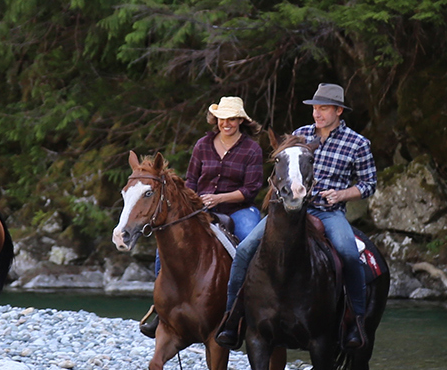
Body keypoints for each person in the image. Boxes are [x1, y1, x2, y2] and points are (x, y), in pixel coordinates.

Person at [215, 83, 377, 351]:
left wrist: (341, 194)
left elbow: (369, 184)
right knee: (244, 250)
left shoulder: (357, 143)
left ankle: (354, 322)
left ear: (338, 110)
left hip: (328, 211)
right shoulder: (300, 135)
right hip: (288, 212)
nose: (317, 114)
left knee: (348, 253)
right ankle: (232, 318)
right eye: (315, 108)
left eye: (323, 108)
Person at [139, 96, 267, 337]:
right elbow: (191, 181)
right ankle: (160, 307)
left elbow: (251, 189)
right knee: (166, 243)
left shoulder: (252, 149)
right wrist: (194, 202)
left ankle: (251, 305)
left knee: (250, 241)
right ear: (215, 120)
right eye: (221, 119)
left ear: (241, 120)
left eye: (231, 119)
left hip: (239, 209)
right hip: (200, 207)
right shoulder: (203, 144)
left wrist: (219, 198)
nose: (226, 124)